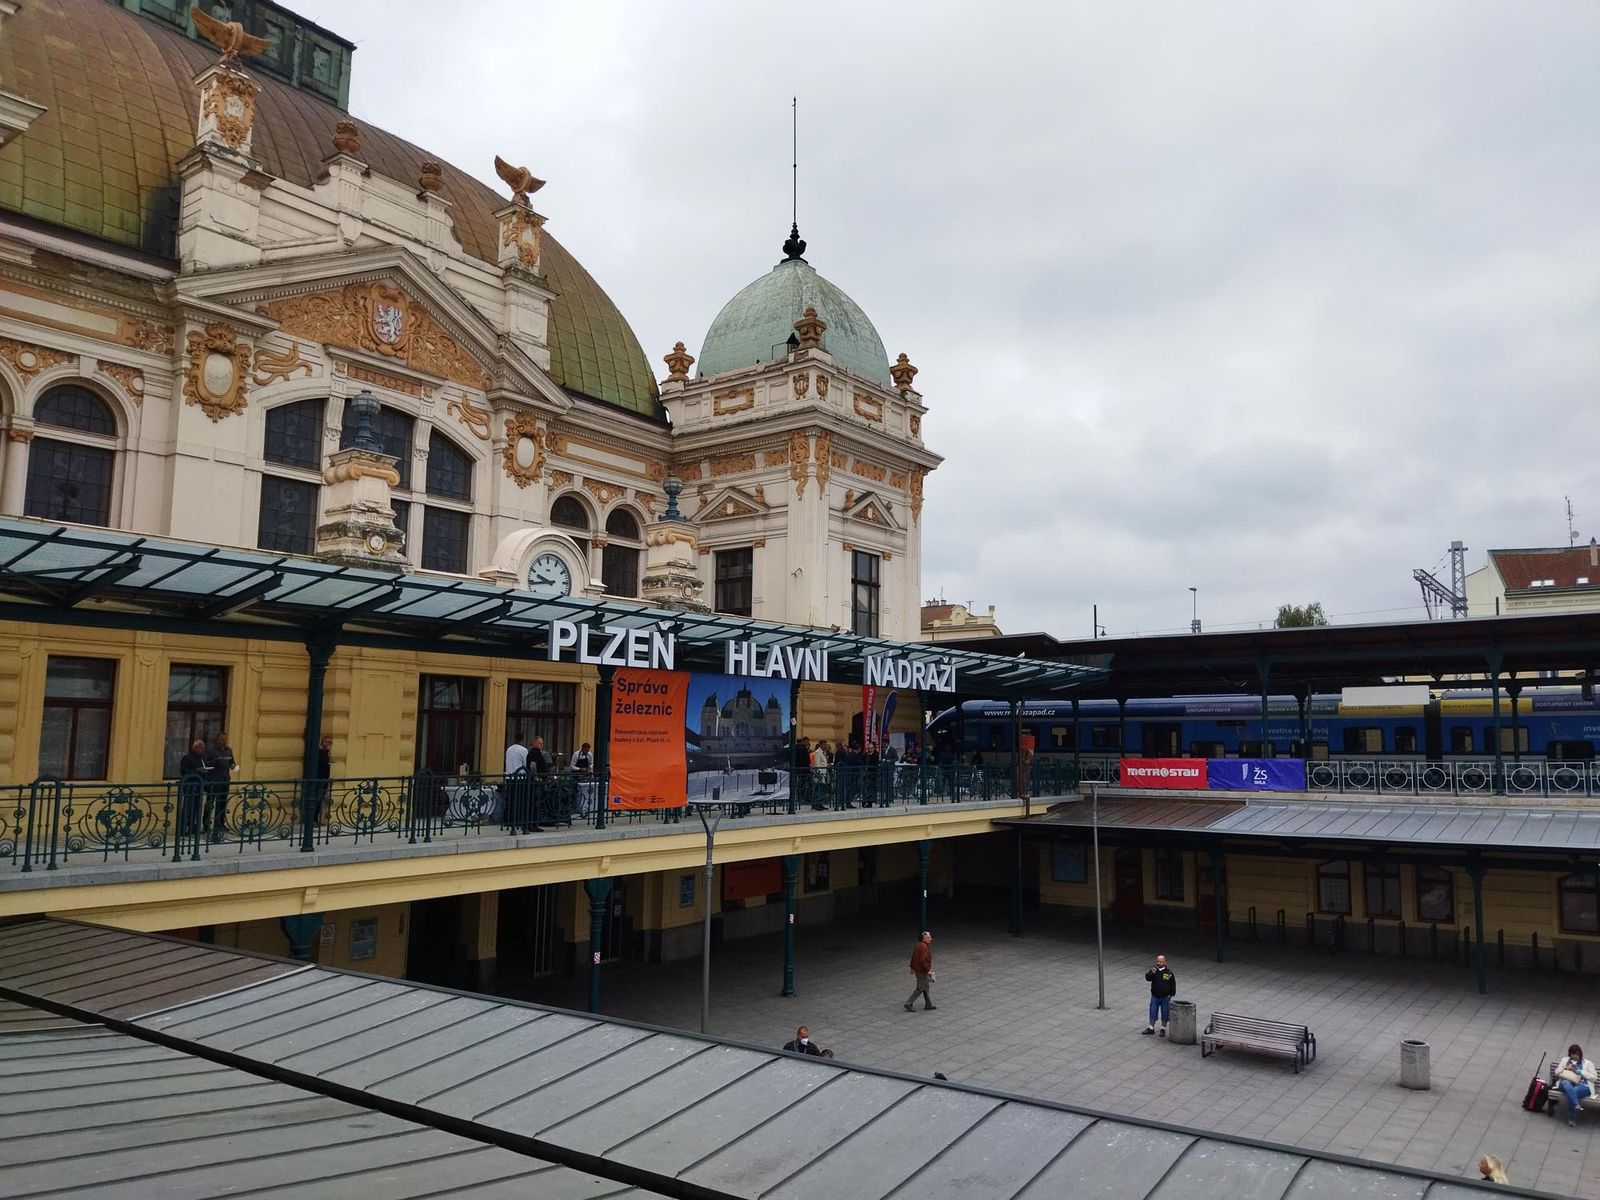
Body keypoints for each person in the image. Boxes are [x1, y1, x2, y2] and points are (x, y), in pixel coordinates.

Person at [204, 733, 239, 843]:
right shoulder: (211, 751)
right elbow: (205, 763)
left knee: (222, 803)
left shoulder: (228, 750)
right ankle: (206, 824)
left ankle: (220, 823)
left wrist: (233, 765)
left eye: (225, 739)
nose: (223, 741)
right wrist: (216, 761)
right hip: (213, 781)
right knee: (211, 802)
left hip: (225, 780)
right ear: (217, 740)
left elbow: (232, 762)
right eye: (221, 739)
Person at [177, 738, 211, 842]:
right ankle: (183, 829)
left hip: (199, 786)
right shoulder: (187, 758)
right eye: (201, 748)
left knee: (197, 809)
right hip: (189, 787)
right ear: (195, 748)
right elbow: (183, 771)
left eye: (204, 748)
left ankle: (193, 828)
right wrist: (197, 770)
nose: (203, 750)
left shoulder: (202, 758)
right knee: (187, 808)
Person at [1555, 1043, 1597, 1127]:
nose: (1575, 1056)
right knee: (1565, 1083)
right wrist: (1566, 1068)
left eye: (1577, 1054)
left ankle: (1572, 1118)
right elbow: (1557, 1072)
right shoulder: (1565, 1060)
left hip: (1583, 1085)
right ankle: (1576, 1103)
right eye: (1573, 1054)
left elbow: (1594, 1078)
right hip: (1567, 1083)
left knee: (1573, 1092)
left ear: (1580, 1054)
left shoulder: (1588, 1064)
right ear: (1570, 1054)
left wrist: (1580, 1071)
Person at [1143, 954, 1177, 1037]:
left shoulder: (1169, 973)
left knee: (1165, 1012)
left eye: (1160, 962)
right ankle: (1151, 1027)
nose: (1158, 963)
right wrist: (1151, 973)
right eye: (1157, 961)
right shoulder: (1154, 970)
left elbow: (1173, 984)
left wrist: (1171, 994)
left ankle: (1163, 1028)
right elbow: (1148, 978)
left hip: (1165, 997)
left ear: (1164, 962)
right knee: (1153, 1011)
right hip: (1155, 996)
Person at [904, 930, 936, 1012]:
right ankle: (909, 1003)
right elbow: (922, 960)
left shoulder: (918, 945)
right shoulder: (924, 947)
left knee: (926, 987)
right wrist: (927, 970)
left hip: (919, 971)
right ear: (923, 938)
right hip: (922, 972)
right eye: (928, 937)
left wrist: (912, 967)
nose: (930, 939)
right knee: (920, 988)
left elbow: (914, 957)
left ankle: (928, 1004)